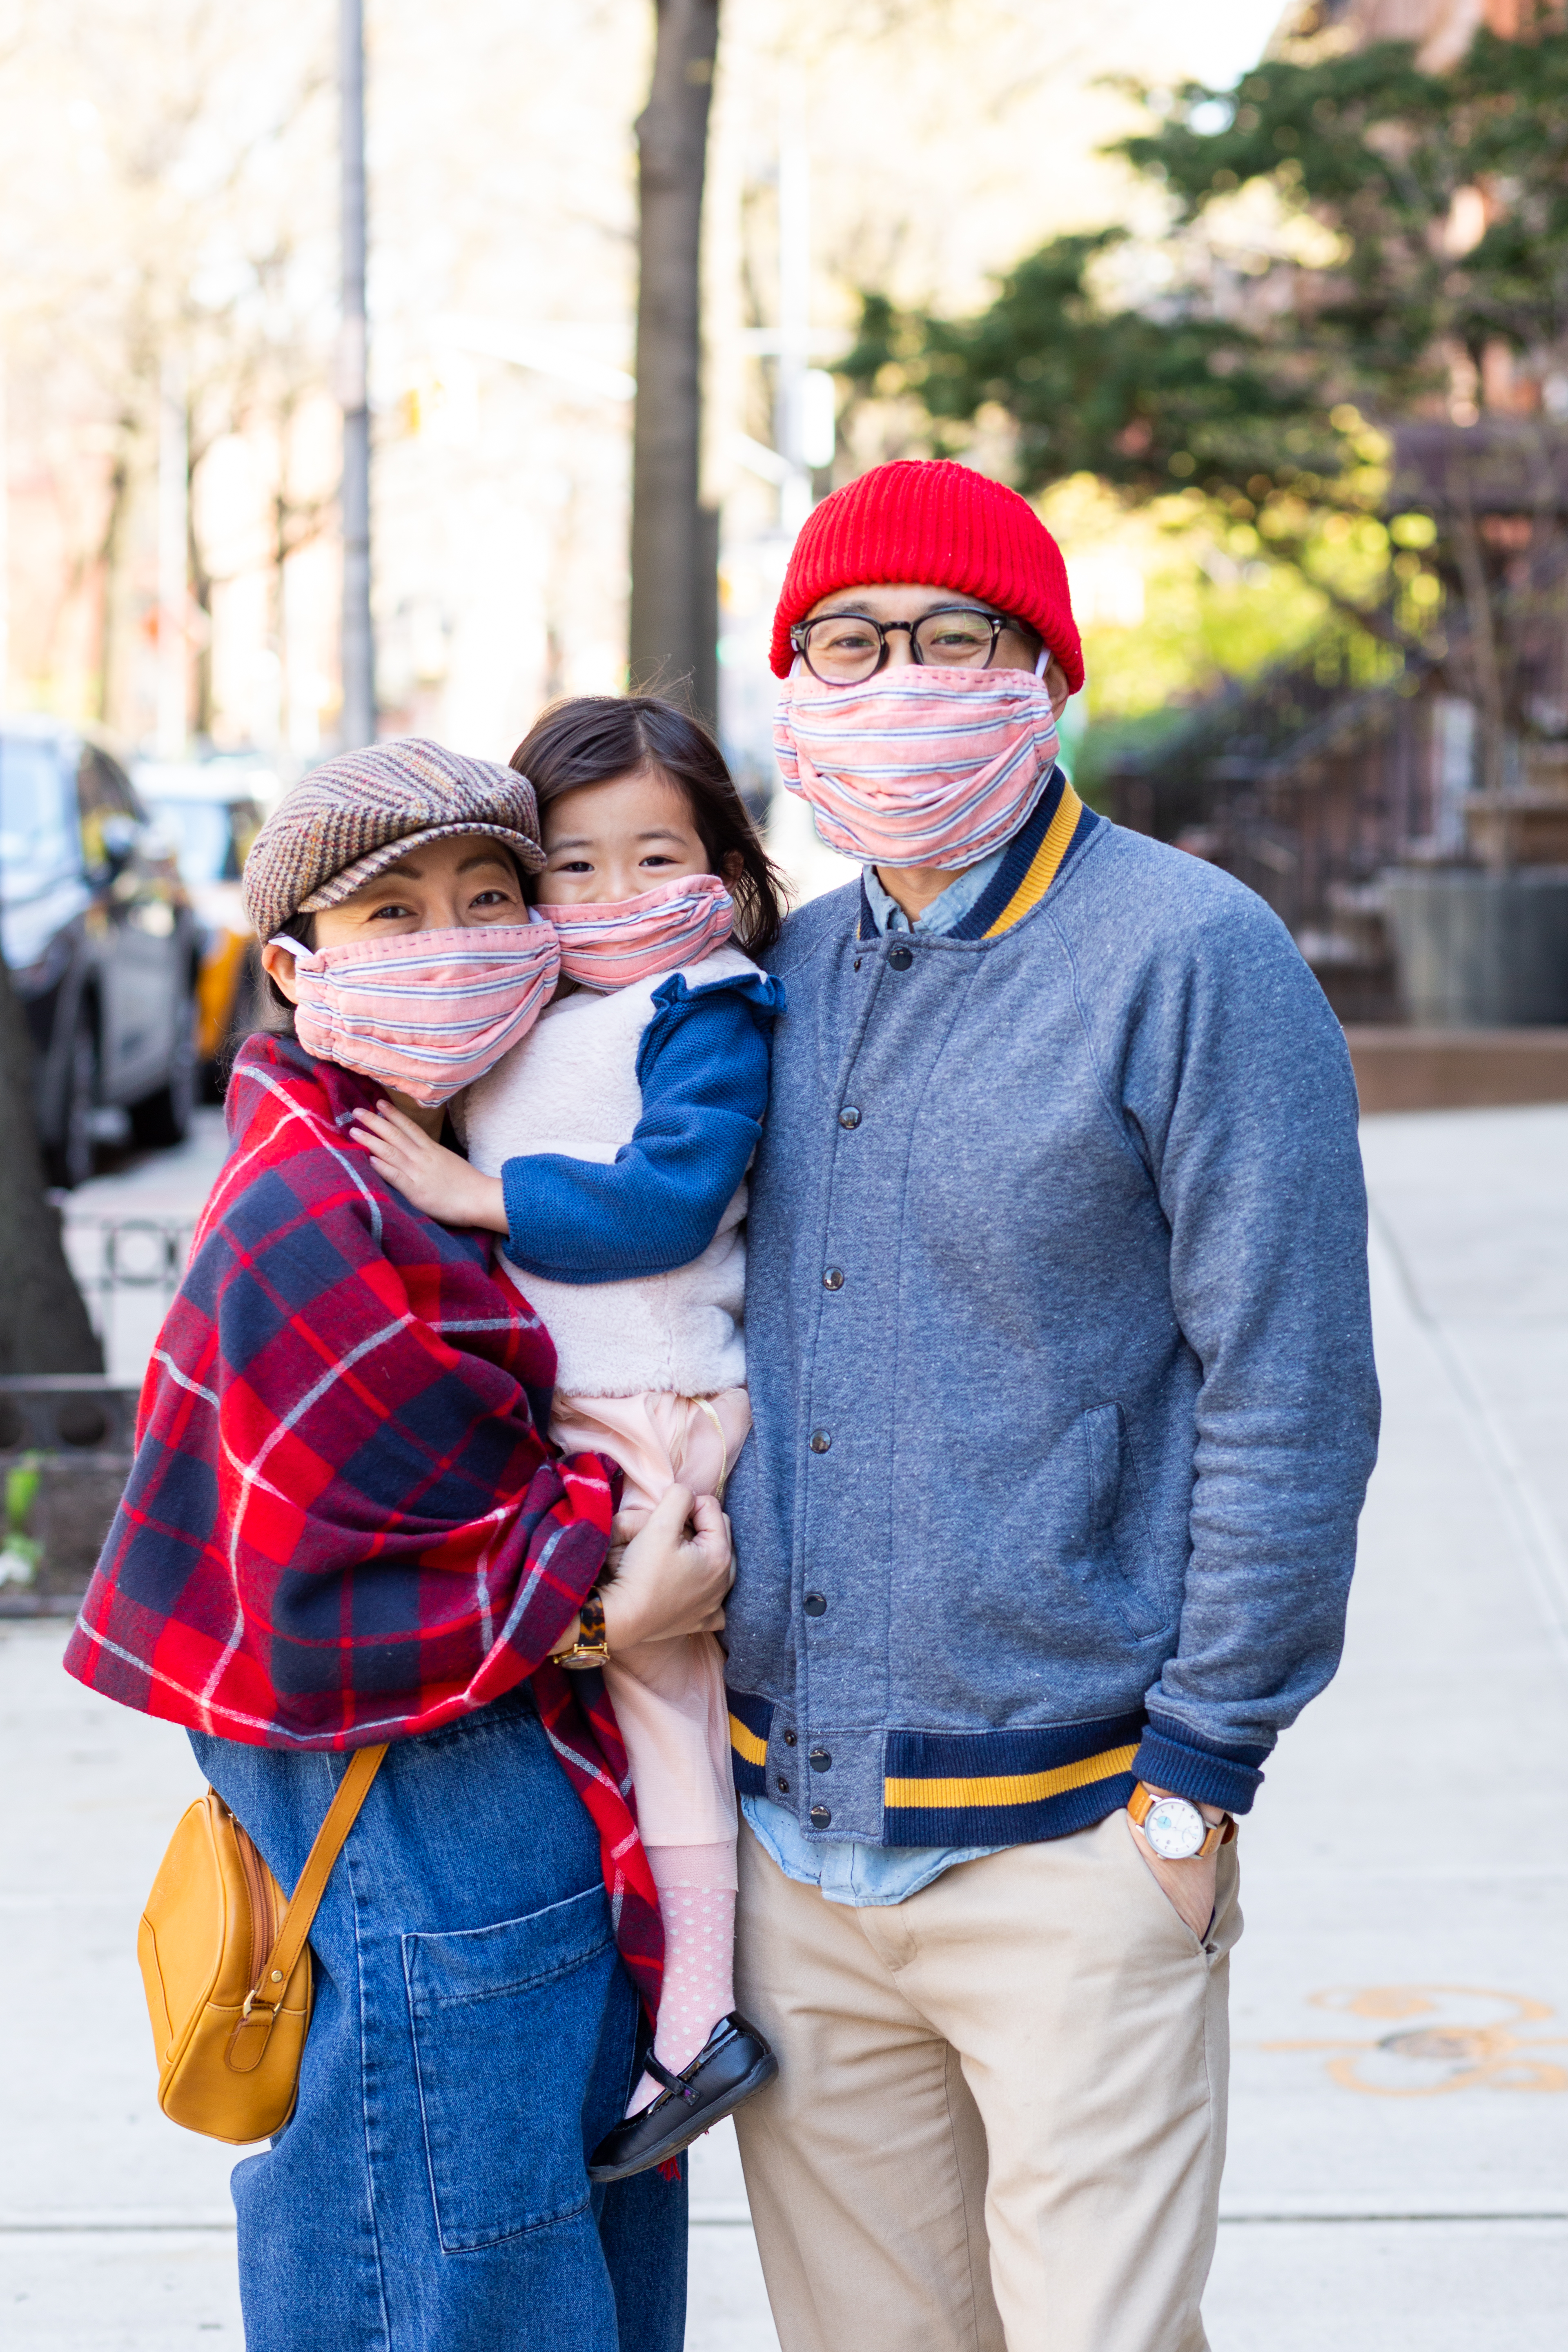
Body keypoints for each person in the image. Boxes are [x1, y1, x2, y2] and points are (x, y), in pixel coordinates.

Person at [720, 459, 1381, 2352]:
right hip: (796, 1844)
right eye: (850, 644)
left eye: (953, 639)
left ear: (1046, 675)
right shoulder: (783, 974)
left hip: (1083, 1839)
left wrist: (1198, 1785)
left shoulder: (1191, 956)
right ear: (795, 684)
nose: (898, 679)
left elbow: (1295, 1389)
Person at [65, 737, 732, 2352]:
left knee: (542, 2250)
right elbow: (347, 1575)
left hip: (515, 1824)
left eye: (490, 897)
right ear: (295, 967)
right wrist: (614, 1593)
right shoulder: (311, 1208)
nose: (454, 942)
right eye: (393, 914)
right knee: (461, 2278)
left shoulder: (469, 1159)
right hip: (424, 1825)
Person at [350, 697, 790, 2178]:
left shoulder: (710, 1002)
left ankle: (701, 2027)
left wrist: (483, 1197)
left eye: (650, 857)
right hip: (573, 1406)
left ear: (723, 872)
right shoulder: (542, 1010)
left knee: (661, 1701)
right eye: (572, 868)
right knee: (602, 1707)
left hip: (653, 1399)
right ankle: (653, 1998)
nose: (609, 899)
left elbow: (671, 1197)